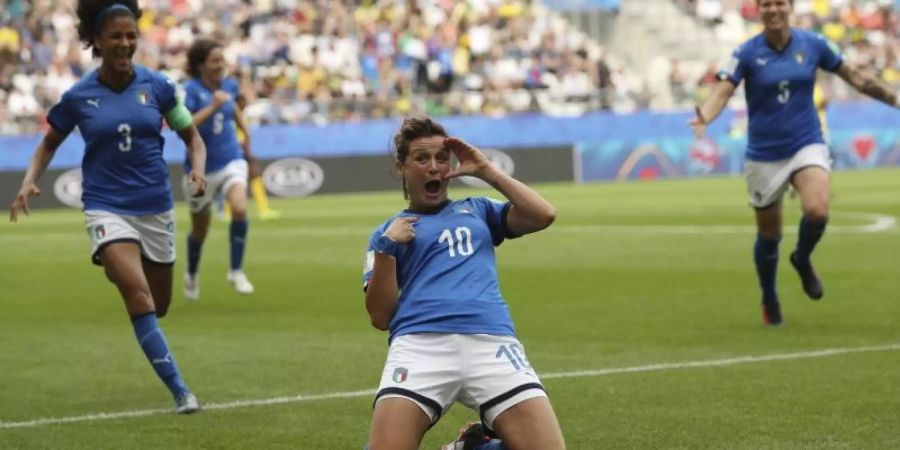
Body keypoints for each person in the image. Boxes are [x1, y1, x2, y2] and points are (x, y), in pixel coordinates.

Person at [8, 0, 206, 413]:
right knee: (139, 297)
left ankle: (119, 265)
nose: (125, 42)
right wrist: (29, 180)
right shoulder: (78, 96)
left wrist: (198, 170)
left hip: (155, 207)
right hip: (105, 205)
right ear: (96, 40)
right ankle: (181, 391)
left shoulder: (159, 87)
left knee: (159, 304)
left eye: (131, 35)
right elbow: (47, 145)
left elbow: (192, 137)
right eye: (115, 35)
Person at [690, 0, 900, 325]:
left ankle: (802, 259)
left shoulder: (813, 44)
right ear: (759, 11)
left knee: (817, 209)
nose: (773, 10)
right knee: (769, 235)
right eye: (766, 5)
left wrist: (894, 98)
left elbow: (855, 77)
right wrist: (704, 116)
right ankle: (769, 298)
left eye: (779, 3)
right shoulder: (746, 52)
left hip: (806, 142)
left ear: (789, 7)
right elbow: (723, 91)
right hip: (764, 152)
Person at [362, 117, 566, 450]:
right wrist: (386, 249)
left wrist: (486, 170)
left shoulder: (479, 210)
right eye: (421, 158)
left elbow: (543, 214)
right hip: (420, 346)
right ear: (402, 167)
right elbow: (380, 317)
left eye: (442, 158)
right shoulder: (387, 233)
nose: (434, 167)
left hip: (492, 342)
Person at [181, 38, 255, 300]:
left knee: (239, 207)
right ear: (201, 65)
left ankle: (236, 271)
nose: (220, 65)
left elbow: (233, 106)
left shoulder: (229, 86)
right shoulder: (190, 90)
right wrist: (212, 106)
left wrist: (245, 133)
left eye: (222, 60)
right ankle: (191, 273)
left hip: (230, 158)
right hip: (199, 169)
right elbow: (185, 124)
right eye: (215, 61)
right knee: (200, 230)